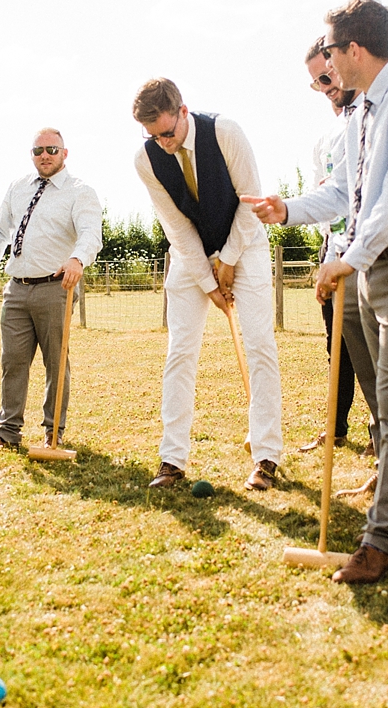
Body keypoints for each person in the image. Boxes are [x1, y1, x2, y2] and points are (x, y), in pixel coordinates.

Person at [244, 0, 388, 579]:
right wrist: (286, 208)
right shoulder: (361, 112)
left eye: (332, 53)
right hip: (372, 268)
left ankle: (380, 539)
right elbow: (346, 194)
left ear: (354, 50)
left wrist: (349, 259)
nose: (329, 66)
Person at [132, 78, 283, 491]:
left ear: (183, 111)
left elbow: (252, 202)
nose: (163, 143)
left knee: (259, 345)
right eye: (152, 136)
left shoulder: (225, 132)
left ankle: (267, 455)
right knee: (180, 350)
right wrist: (207, 278)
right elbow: (177, 227)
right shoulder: (146, 160)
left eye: (167, 133)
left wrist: (230, 260)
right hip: (191, 252)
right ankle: (171, 459)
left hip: (244, 240)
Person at [0, 129, 102, 452]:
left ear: (64, 152)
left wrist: (77, 258)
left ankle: (53, 432)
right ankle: (7, 434)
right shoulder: (17, 188)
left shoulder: (80, 192)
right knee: (13, 361)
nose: (44, 155)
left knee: (56, 363)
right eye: (38, 150)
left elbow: (90, 233)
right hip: (16, 290)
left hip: (55, 287)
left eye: (51, 149)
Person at [299, 37, 380, 458]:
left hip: (367, 254)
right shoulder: (327, 136)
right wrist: (327, 255)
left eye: (326, 75)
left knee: (374, 354)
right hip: (334, 254)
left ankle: (380, 432)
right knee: (338, 347)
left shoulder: (372, 119)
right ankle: (336, 428)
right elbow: (326, 199)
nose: (325, 85)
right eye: (316, 82)